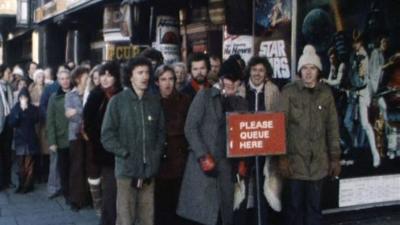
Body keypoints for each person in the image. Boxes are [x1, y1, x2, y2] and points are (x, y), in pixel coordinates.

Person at [177, 57, 248, 225]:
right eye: (228, 78)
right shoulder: (205, 96)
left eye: (236, 80)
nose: (231, 83)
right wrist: (203, 155)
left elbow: (246, 135)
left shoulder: (242, 104)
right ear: (221, 79)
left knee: (224, 215)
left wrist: (244, 160)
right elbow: (190, 127)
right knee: (202, 215)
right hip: (203, 167)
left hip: (227, 168)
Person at [279, 45, 341, 225]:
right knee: (293, 211)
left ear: (318, 71)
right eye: (304, 68)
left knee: (314, 210)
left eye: (312, 68)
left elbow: (332, 127)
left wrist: (335, 158)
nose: (308, 72)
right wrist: (282, 158)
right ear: (299, 70)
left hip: (318, 166)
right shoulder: (289, 92)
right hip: (294, 165)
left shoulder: (326, 94)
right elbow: (279, 126)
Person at [101, 57, 165, 225]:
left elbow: (160, 133)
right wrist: (125, 153)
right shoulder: (118, 101)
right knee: (125, 219)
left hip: (148, 172)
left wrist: (155, 155)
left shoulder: (154, 101)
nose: (145, 76)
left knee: (147, 219)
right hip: (126, 172)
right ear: (130, 76)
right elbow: (106, 136)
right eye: (140, 73)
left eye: (147, 73)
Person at [235, 56, 280, 225]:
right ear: (249, 71)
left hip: (265, 151)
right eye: (254, 70)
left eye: (261, 70)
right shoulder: (240, 89)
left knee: (264, 190)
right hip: (244, 150)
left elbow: (277, 119)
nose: (257, 74)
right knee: (242, 191)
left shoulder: (273, 90)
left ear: (266, 72)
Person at [84, 61, 122, 224]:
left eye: (109, 75)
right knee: (110, 192)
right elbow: (88, 123)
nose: (105, 79)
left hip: (123, 151)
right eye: (102, 75)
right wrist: (101, 141)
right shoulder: (96, 95)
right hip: (104, 153)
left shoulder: (122, 94)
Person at [154, 65, 191, 225]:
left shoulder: (184, 100)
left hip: (179, 160)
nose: (167, 83)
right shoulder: (152, 101)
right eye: (163, 79)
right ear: (157, 82)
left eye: (170, 79)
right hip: (159, 162)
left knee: (179, 206)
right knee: (161, 208)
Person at [65, 66, 91, 211]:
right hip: (75, 135)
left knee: (89, 165)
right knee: (76, 167)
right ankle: (75, 199)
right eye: (85, 76)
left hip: (88, 135)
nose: (88, 79)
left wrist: (77, 111)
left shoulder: (90, 93)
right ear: (78, 79)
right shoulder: (70, 95)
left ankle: (87, 198)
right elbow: (69, 115)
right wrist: (80, 113)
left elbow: (80, 114)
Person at [47, 69, 71, 203]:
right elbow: (50, 121)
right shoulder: (54, 97)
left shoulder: (76, 93)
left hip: (75, 139)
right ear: (58, 80)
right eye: (62, 79)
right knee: (64, 168)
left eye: (67, 78)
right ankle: (66, 193)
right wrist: (52, 141)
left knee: (75, 168)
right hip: (61, 139)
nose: (65, 81)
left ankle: (75, 194)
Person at [9, 88, 40, 193]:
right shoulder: (15, 108)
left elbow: (36, 119)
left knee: (29, 164)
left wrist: (27, 110)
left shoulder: (32, 108)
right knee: (20, 165)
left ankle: (27, 185)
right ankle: (21, 184)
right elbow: (12, 123)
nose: (23, 99)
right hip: (20, 141)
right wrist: (19, 113)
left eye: (25, 97)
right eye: (21, 97)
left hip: (30, 139)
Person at [0, 64, 14, 191]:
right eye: (9, 72)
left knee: (7, 154)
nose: (11, 74)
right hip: (0, 124)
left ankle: (7, 180)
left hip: (8, 125)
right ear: (2, 73)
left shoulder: (9, 86)